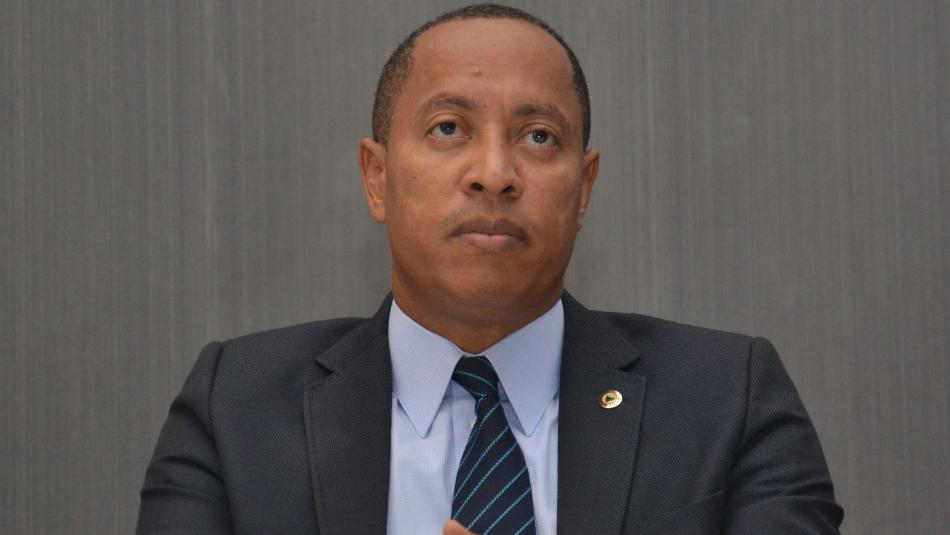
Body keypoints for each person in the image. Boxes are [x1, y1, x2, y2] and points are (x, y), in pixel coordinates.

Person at [137, 4, 843, 534]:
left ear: (584, 189)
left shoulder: (727, 400)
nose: (495, 172)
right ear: (377, 178)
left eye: (539, 136)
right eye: (449, 128)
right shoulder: (235, 408)